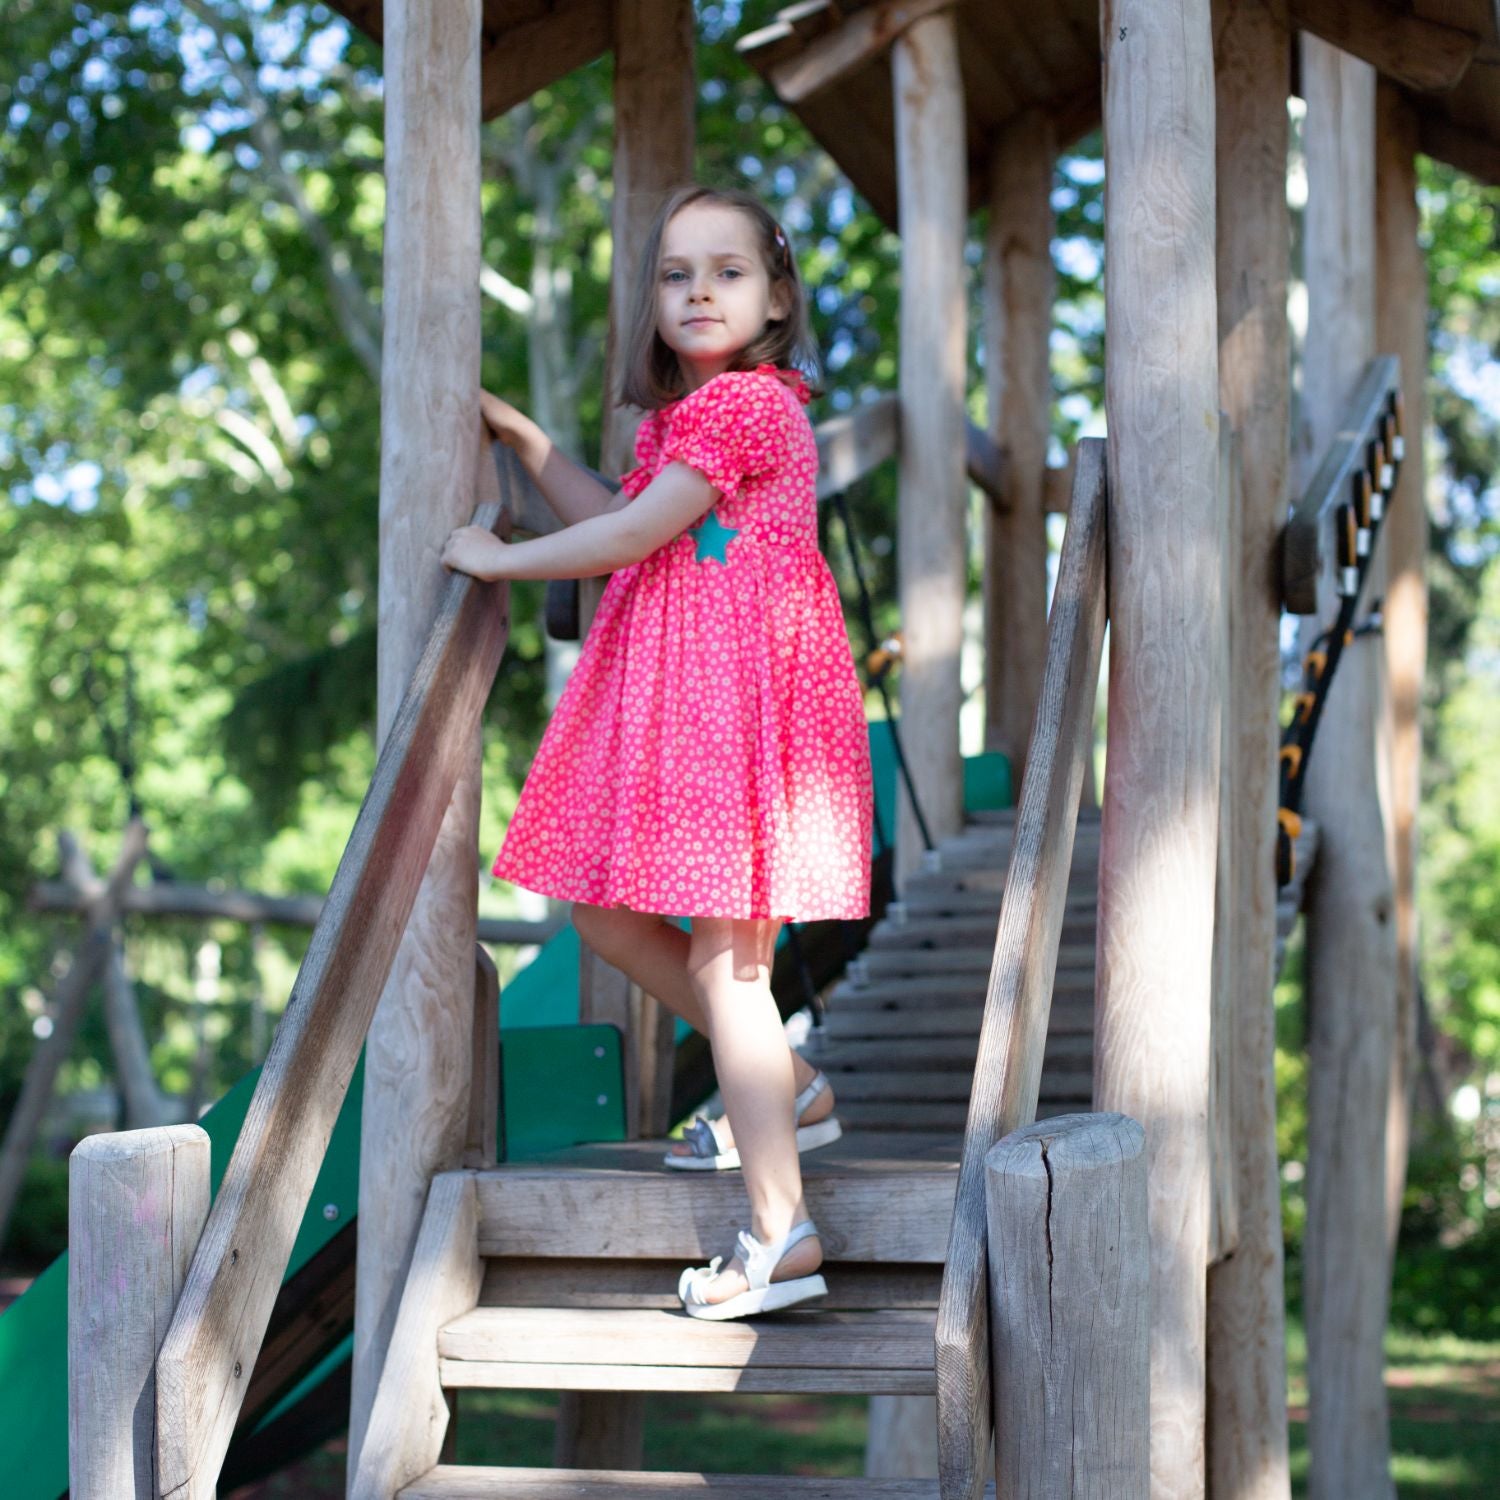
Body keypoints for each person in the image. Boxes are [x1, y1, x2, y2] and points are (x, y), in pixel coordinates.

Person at [440, 184, 873, 1321]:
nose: (697, 292)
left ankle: (782, 1233)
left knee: (733, 972)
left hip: (741, 712)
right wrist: (530, 443)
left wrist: (497, 563)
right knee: (602, 916)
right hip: (693, 708)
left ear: (778, 297)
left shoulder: (751, 407)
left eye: (727, 271)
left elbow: (630, 535)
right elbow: (620, 514)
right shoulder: (676, 427)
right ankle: (793, 1080)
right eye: (676, 274)